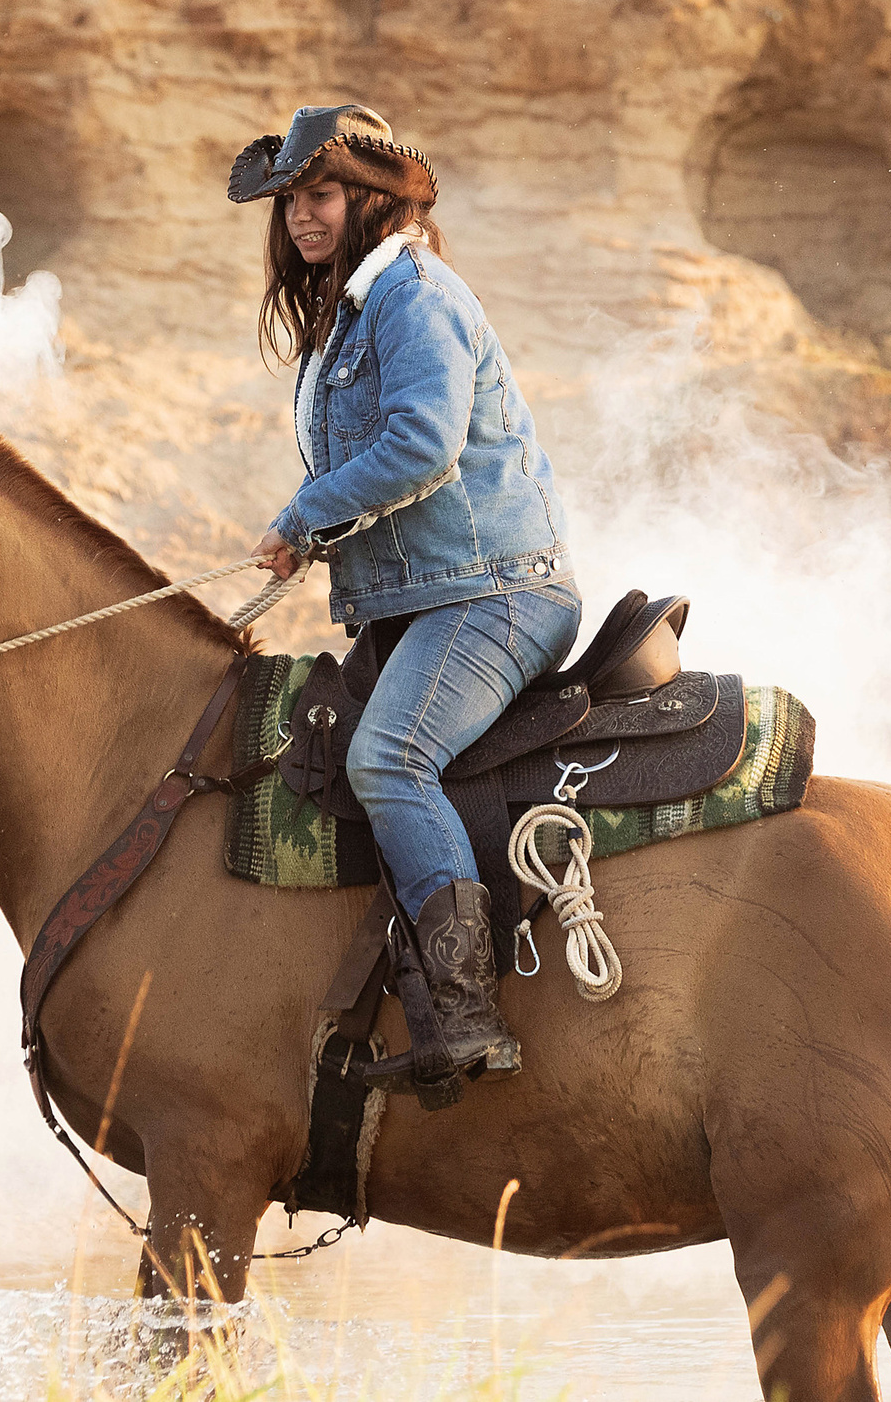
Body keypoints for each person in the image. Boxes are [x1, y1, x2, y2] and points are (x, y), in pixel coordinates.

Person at [232, 103, 580, 1081]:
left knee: (388, 757)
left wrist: (304, 517)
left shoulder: (411, 291)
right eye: (293, 200)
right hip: (436, 597)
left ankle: (466, 1009)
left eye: (323, 194)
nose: (303, 217)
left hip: (496, 592)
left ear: (370, 199)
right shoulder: (355, 311)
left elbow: (423, 444)